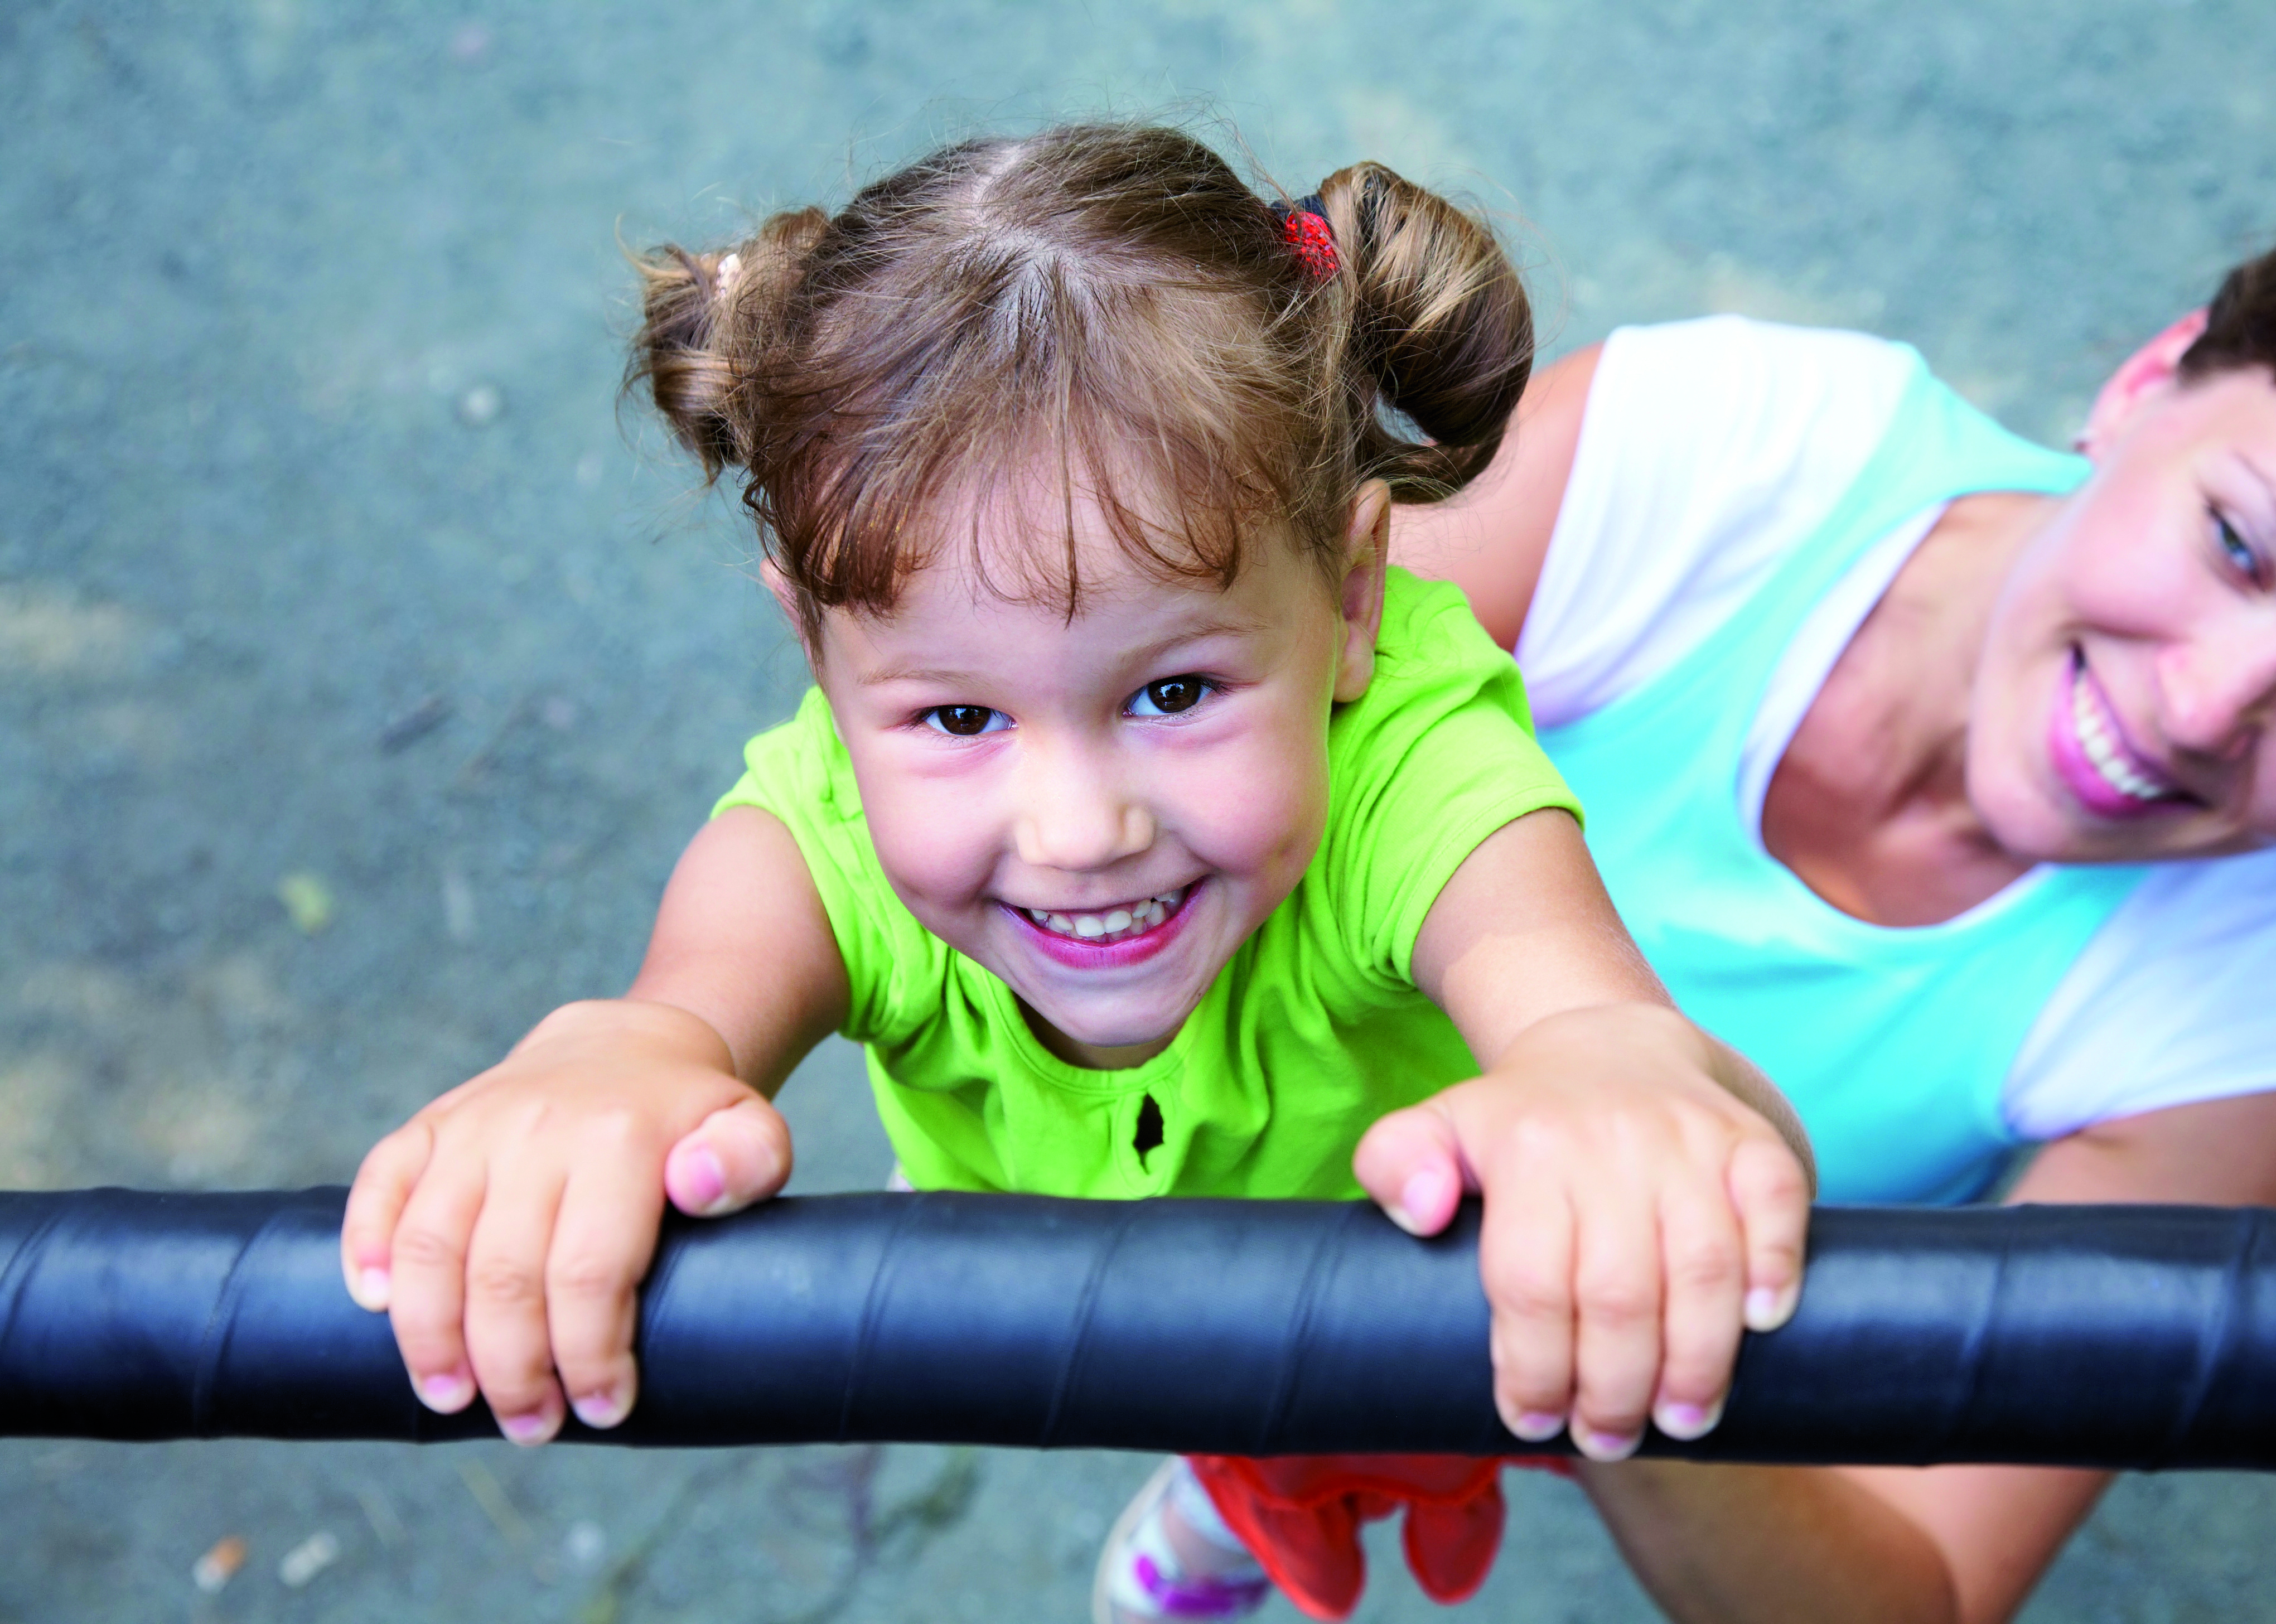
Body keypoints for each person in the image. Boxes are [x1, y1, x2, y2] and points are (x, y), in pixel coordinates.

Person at [330, 124, 1814, 1624]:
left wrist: (1599, 1068)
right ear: (821, 664)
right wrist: (611, 1061)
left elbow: (1569, 1001)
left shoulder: (1413, 758)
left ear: (1356, 600)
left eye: (1172, 693)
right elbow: (679, 1013)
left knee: (1590, 1360)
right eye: (960, 716)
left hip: (1437, 1296)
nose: (1075, 828)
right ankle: (1224, 1504)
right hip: (1160, 1294)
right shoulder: (826, 824)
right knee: (1243, 1431)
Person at [1389, 198, 2276, 1622]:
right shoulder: (1713, 456)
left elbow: (1922, 1583)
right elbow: (1192, 736)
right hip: (1225, 1133)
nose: (2201, 707)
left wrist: (1610, 1307)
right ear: (2147, 383)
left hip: (1591, 1358)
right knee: (1227, 1433)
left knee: (1291, 1411)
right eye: (2240, 546)